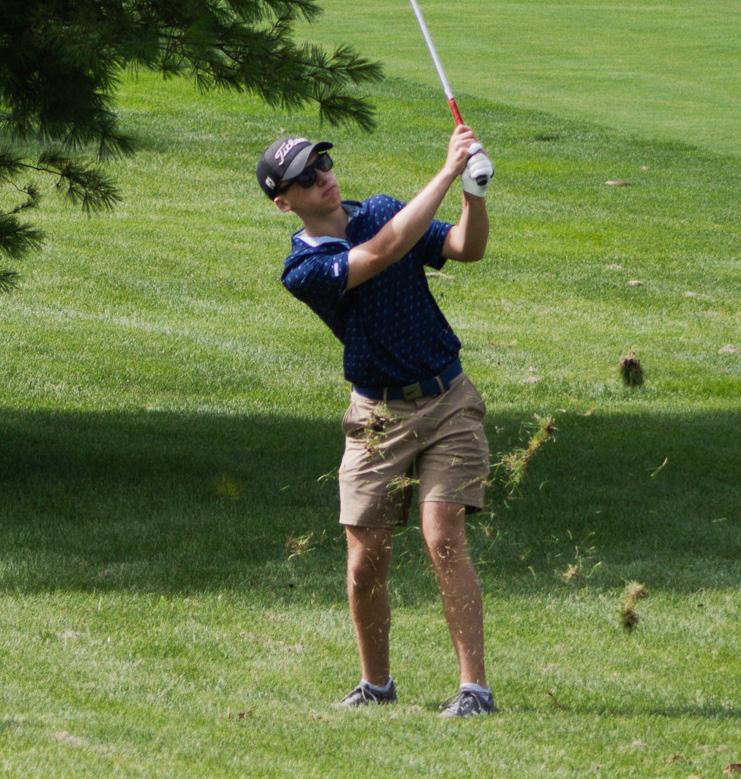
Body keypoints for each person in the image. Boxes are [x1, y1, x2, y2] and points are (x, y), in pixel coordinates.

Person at [256, 126, 495, 717]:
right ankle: (377, 685)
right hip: (376, 417)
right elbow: (383, 252)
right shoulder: (303, 269)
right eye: (306, 177)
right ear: (284, 202)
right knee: (366, 560)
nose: (324, 178)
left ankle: (474, 689)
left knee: (443, 537)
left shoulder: (385, 210)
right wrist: (446, 172)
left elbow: (464, 248)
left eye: (323, 164)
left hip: (448, 398)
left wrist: (474, 193)